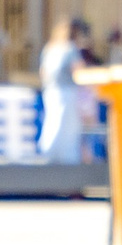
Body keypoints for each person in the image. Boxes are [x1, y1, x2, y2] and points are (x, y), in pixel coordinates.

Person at [38, 16, 94, 165]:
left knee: (52, 121)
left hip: (50, 91)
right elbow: (79, 71)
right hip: (67, 92)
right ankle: (66, 158)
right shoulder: (70, 49)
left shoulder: (50, 48)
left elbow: (42, 72)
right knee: (68, 126)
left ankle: (48, 153)